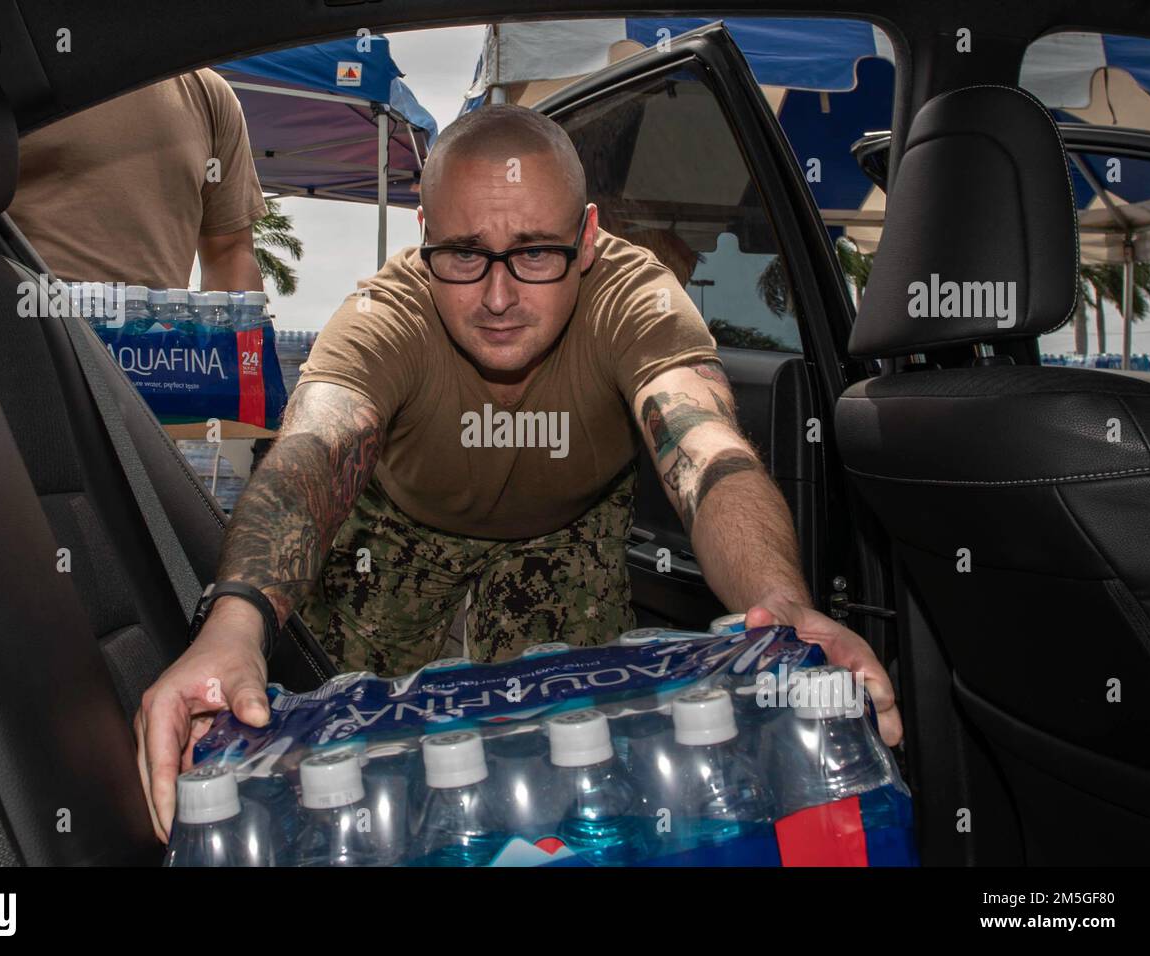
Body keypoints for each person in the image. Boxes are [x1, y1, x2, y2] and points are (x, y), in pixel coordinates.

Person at [133, 104, 902, 843]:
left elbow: (706, 452)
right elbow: (312, 456)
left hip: (567, 536)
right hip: (398, 539)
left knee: (570, 769)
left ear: (588, 238)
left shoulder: (635, 298)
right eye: (464, 254)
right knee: (365, 772)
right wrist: (233, 627)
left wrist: (781, 607)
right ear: (425, 237)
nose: (498, 298)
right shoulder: (385, 315)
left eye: (536, 253)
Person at [9, 69, 266, 291]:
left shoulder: (209, 93)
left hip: (153, 330)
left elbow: (230, 253)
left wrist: (236, 331)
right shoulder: (14, 70)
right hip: (23, 320)